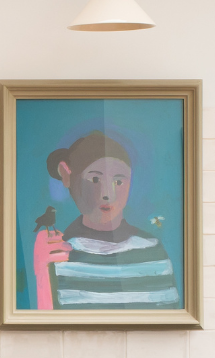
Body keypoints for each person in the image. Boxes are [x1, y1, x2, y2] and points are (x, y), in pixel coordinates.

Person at [31, 130, 180, 310]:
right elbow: (47, 329)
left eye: (119, 182)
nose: (108, 194)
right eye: (95, 179)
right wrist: (42, 274)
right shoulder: (57, 253)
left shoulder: (152, 249)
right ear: (67, 175)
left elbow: (168, 320)